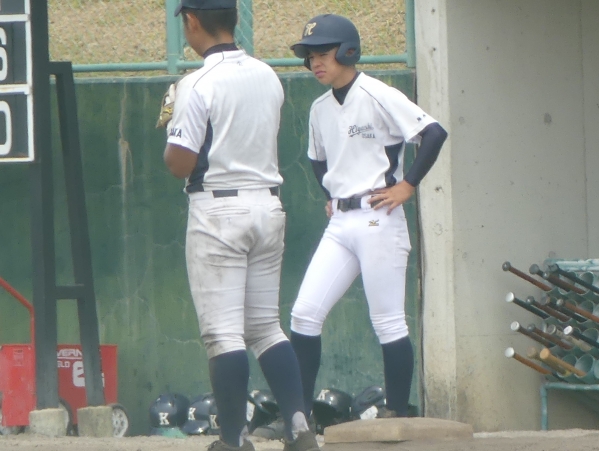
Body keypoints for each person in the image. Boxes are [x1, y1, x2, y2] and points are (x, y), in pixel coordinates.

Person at [162, 1, 319, 450]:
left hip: (219, 211)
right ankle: (299, 428)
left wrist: (171, 122)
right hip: (267, 206)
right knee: (266, 327)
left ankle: (233, 441)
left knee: (224, 333)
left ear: (193, 21)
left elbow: (179, 163)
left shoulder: (196, 84)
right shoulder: (267, 74)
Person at [288, 14, 449, 419]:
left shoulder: (377, 93)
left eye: (323, 53)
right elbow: (317, 159)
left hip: (379, 217)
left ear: (347, 51)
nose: (315, 62)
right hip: (341, 222)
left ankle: (396, 412)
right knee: (304, 314)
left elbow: (433, 133)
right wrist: (331, 194)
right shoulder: (319, 108)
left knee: (388, 321)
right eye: (310, 56)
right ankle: (298, 417)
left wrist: (407, 184)